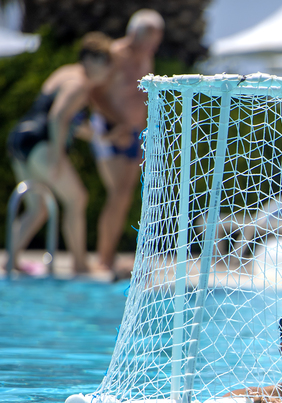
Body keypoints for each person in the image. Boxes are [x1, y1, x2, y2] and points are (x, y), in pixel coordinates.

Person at [6, 32, 113, 276]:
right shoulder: (79, 83)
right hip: (42, 144)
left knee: (37, 208)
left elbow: (68, 122)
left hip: (21, 139)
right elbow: (57, 116)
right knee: (77, 199)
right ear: (90, 59)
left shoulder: (65, 73)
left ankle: (11, 260)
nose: (109, 69)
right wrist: (57, 156)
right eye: (106, 62)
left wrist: (103, 137)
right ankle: (79, 263)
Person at [89, 9, 164, 277]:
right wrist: (118, 123)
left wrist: (143, 134)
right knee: (118, 192)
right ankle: (103, 258)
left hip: (134, 133)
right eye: (150, 39)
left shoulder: (147, 58)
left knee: (125, 195)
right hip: (111, 129)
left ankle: (108, 256)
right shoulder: (115, 54)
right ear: (135, 33)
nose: (153, 46)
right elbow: (95, 92)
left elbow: (140, 99)